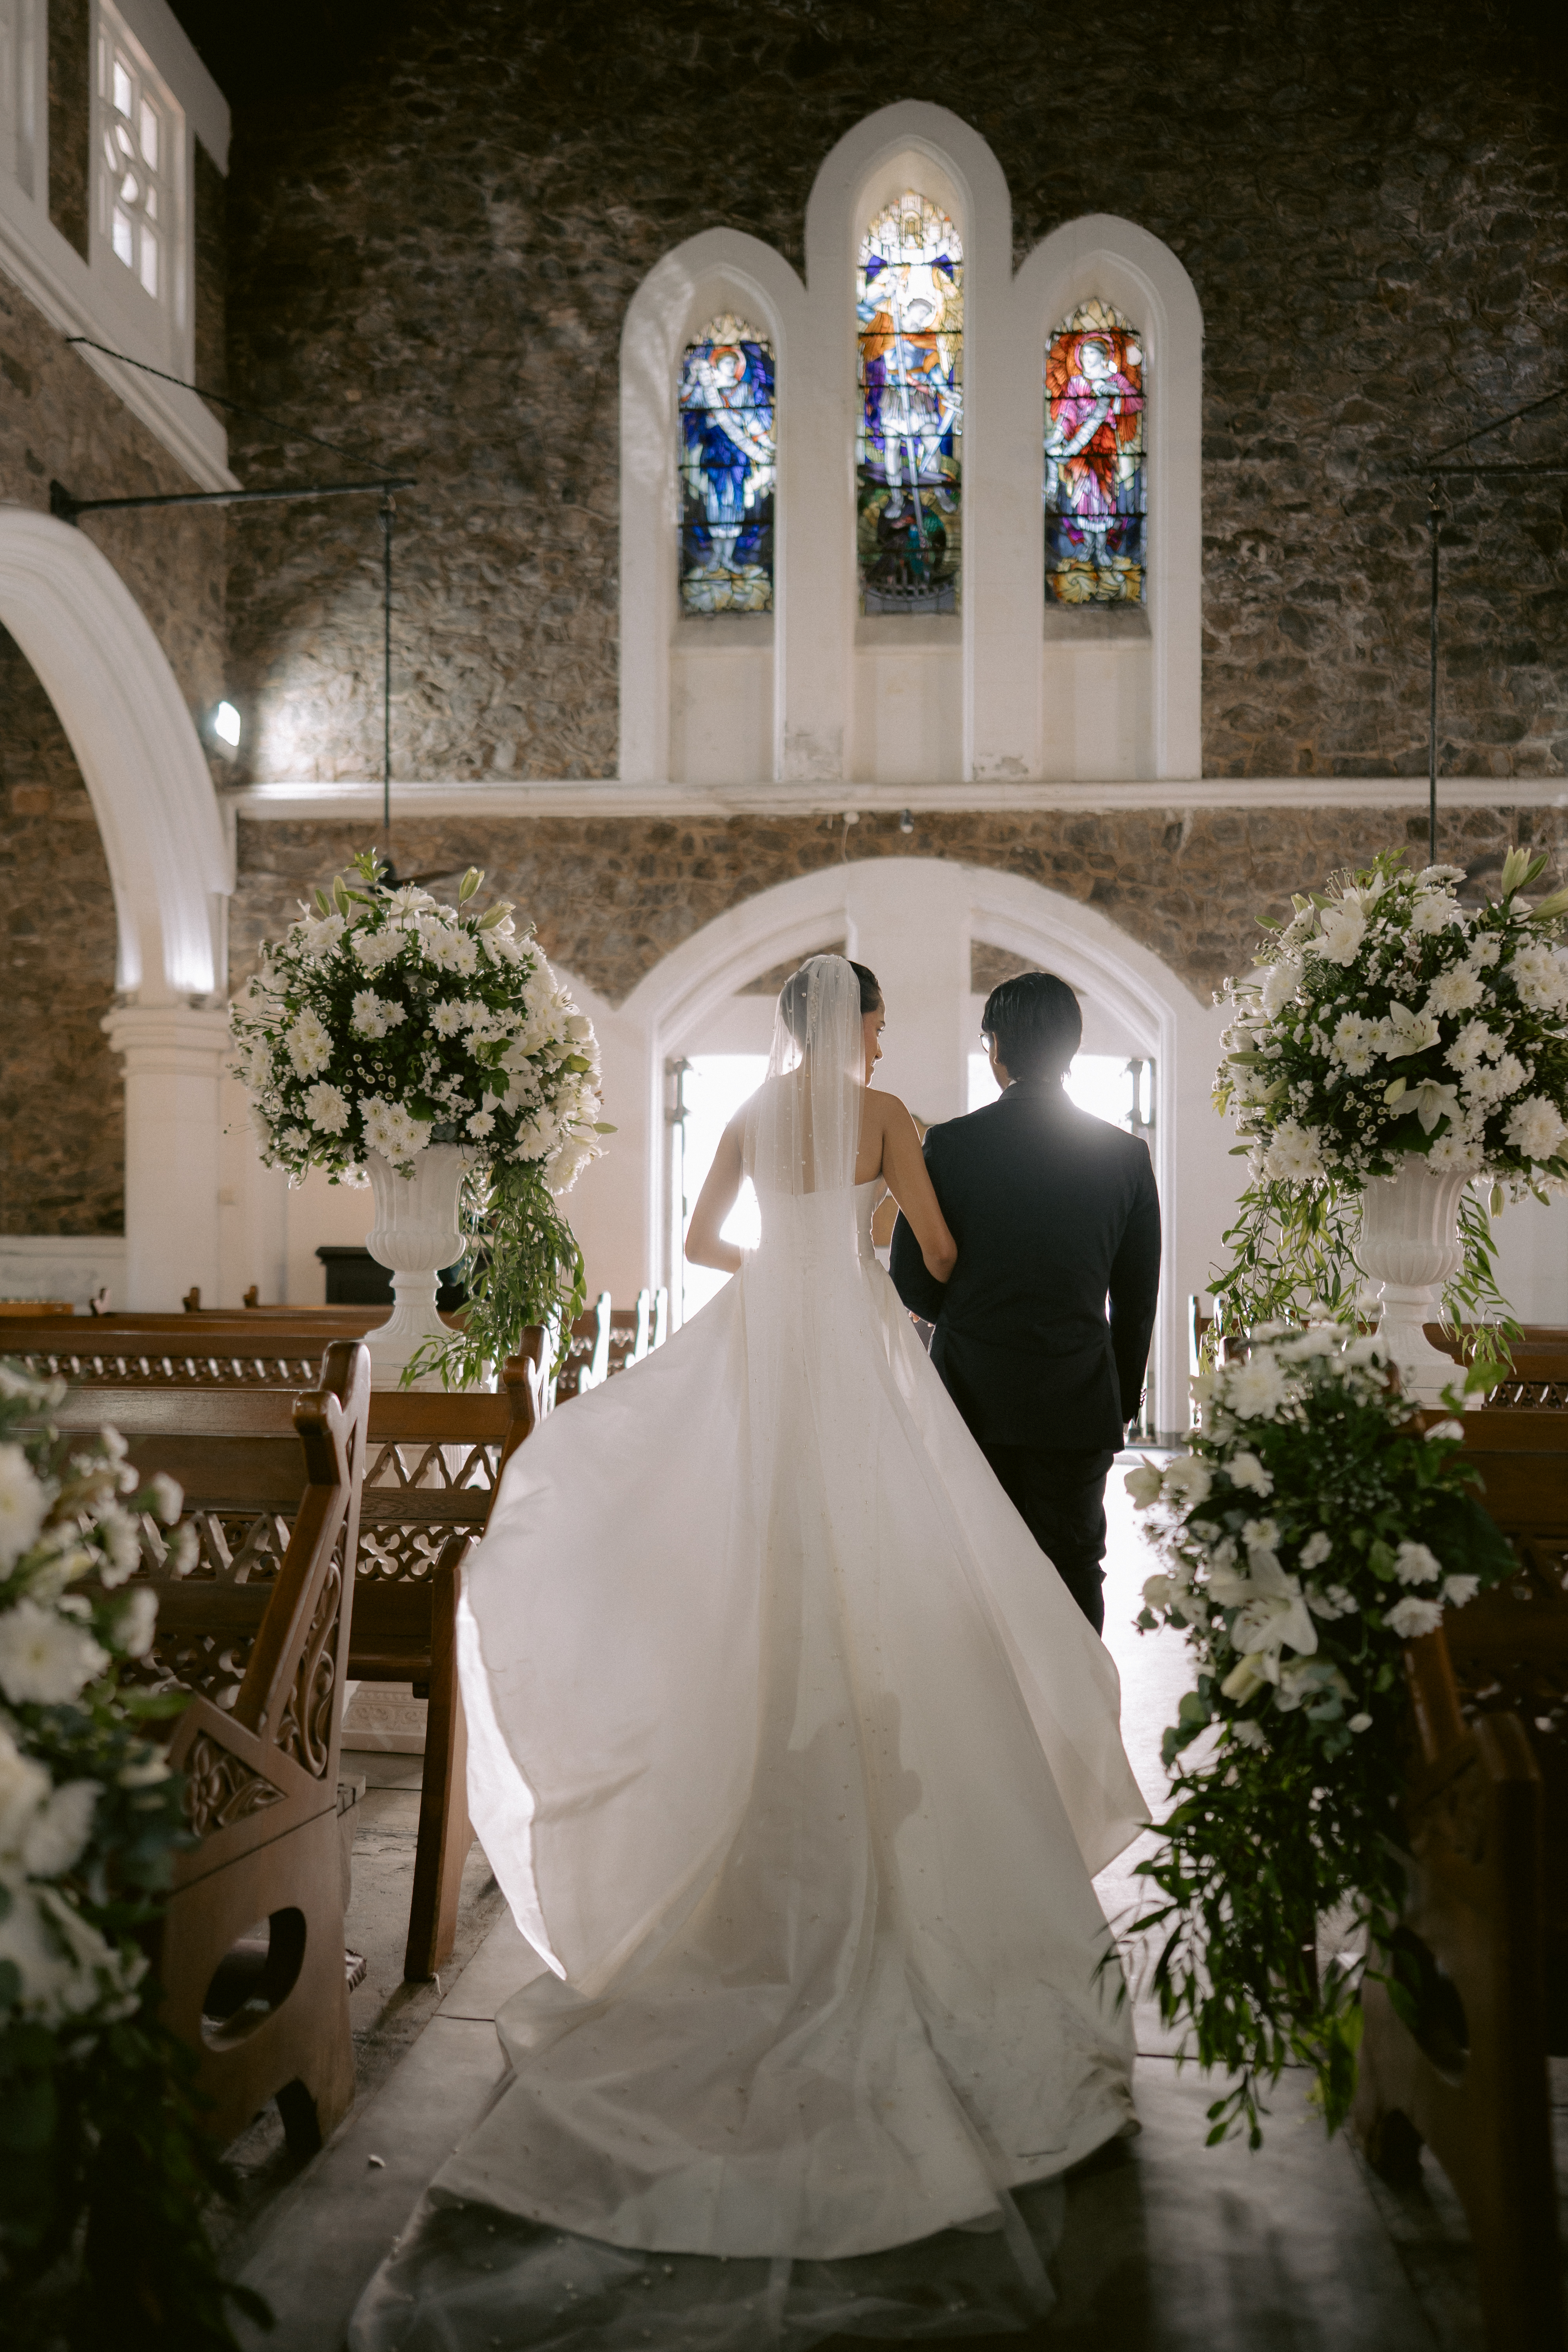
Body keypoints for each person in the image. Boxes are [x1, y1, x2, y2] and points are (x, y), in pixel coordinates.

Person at [350, 954, 1145, 2351]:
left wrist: (787, 1267)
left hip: (766, 1333)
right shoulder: (888, 1116)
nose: (886, 1034)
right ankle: (870, 1751)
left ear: (780, 1029)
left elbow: (708, 1242)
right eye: (881, 1017)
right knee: (899, 1557)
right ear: (862, 1031)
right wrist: (857, 1267)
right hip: (857, 1343)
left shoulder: (746, 1120)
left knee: (765, 1549)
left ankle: (772, 1743)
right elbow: (937, 1258)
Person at [890, 971, 1161, 1636]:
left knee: (976, 1568)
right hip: (1077, 1399)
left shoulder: (951, 1145)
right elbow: (1136, 1298)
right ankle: (1075, 1728)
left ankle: (993, 1731)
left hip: (972, 1397)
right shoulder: (1125, 1157)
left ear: (996, 1047)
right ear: (1070, 1048)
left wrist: (961, 1318)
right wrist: (1118, 1399)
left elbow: (912, 1276)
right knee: (1074, 1567)